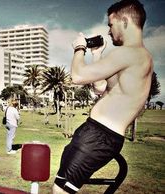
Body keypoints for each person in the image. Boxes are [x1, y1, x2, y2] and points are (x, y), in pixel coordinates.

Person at [53, 0, 153, 193]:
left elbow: (78, 75)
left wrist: (79, 48)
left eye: (110, 24)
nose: (108, 31)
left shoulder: (130, 53)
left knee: (61, 191)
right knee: (61, 184)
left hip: (99, 136)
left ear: (124, 21)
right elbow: (101, 87)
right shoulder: (138, 57)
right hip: (97, 133)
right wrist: (97, 54)